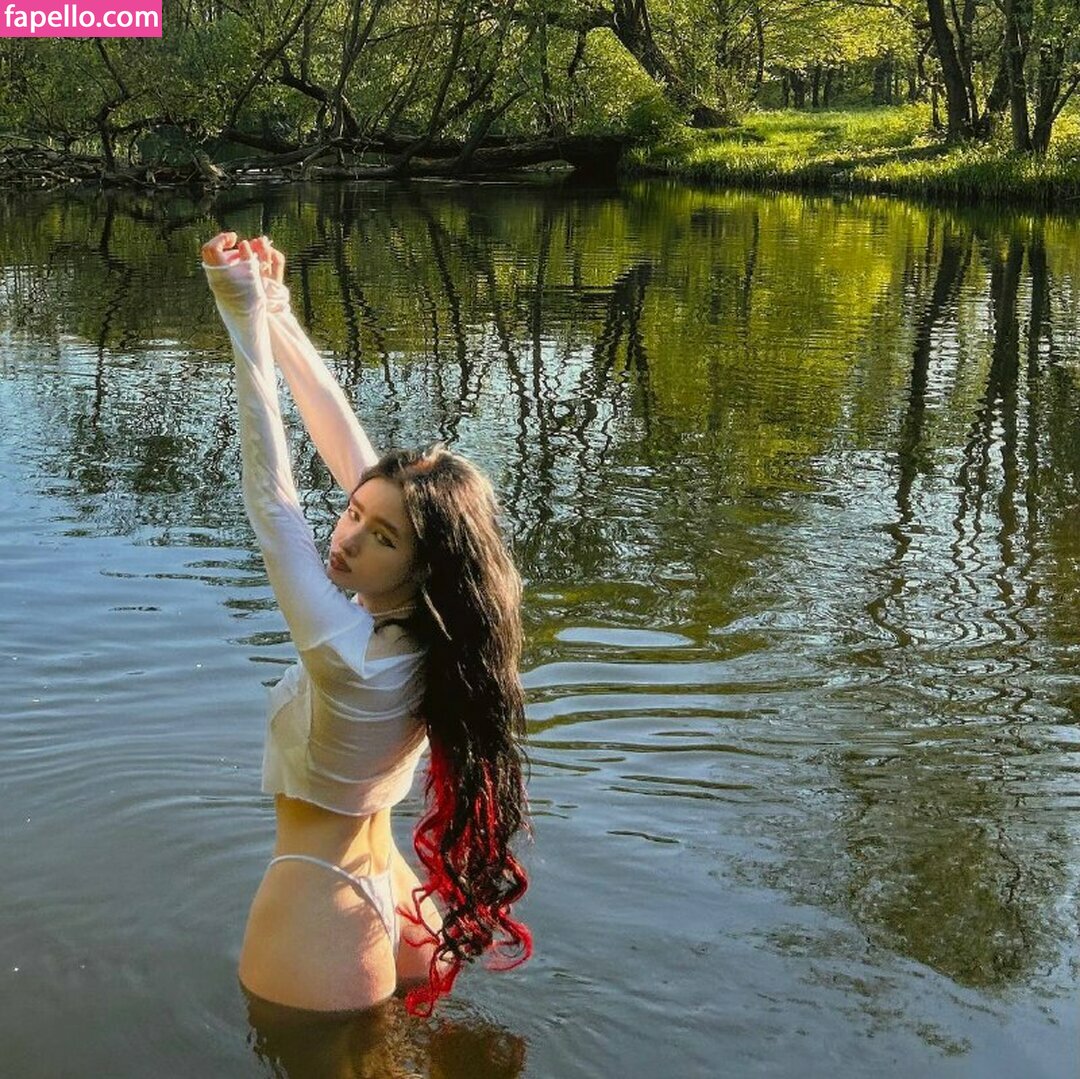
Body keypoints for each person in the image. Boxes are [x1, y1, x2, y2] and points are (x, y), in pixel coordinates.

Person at [199, 230, 532, 1018]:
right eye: (352, 513)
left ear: (421, 565)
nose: (345, 538)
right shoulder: (435, 632)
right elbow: (350, 448)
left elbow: (274, 505)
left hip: (321, 911)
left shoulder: (350, 654)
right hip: (393, 896)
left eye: (378, 536)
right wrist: (278, 310)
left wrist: (241, 314)